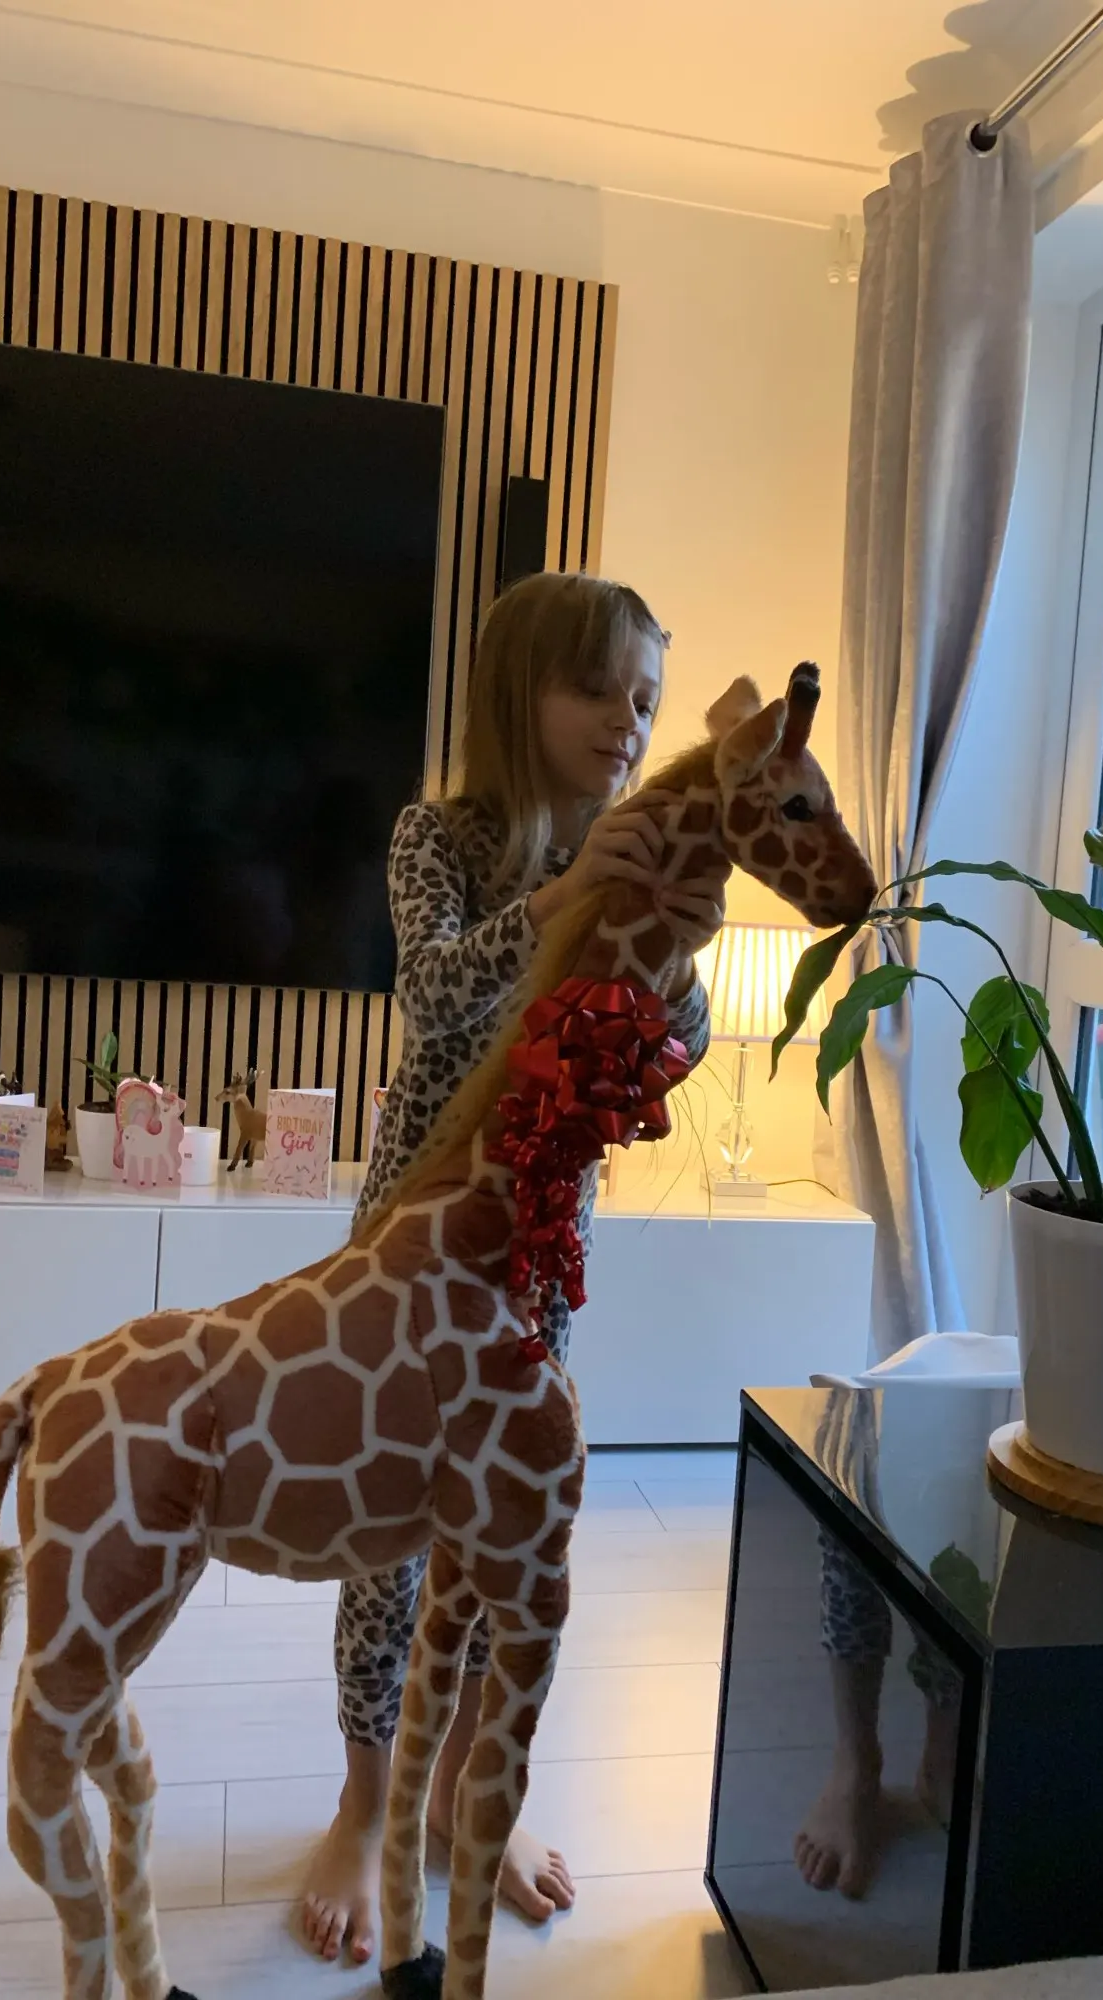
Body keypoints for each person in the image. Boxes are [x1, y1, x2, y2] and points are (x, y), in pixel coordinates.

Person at [300, 571, 725, 1963]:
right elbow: (430, 998)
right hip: (413, 1241)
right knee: (390, 1527)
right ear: (515, 691)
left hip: (539, 1248)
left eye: (645, 699)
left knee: (508, 1524)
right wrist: (564, 896)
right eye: (596, 688)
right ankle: (367, 1802)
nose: (628, 722)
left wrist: (674, 949)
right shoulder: (440, 837)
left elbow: (683, 1043)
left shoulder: (629, 851)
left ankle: (459, 1796)